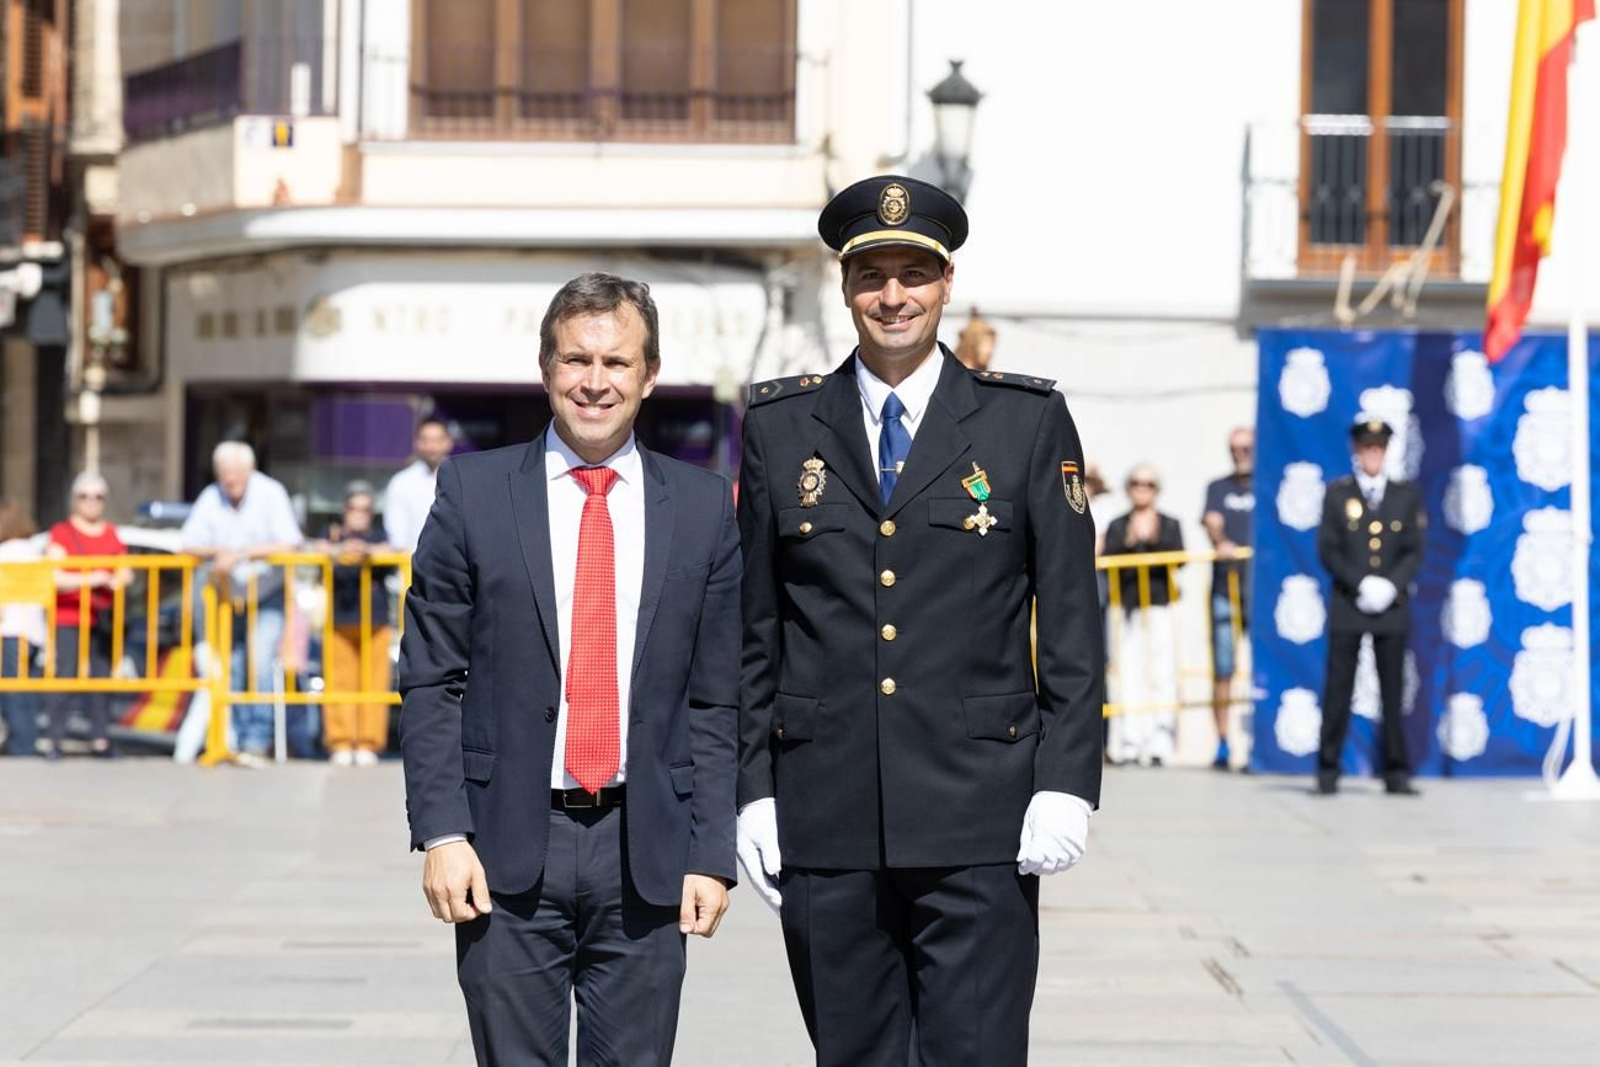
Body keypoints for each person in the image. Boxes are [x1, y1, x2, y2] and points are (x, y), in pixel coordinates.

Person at [736, 175, 1104, 1067]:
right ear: (845, 285)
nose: (892, 296)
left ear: (946, 284)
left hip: (982, 811)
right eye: (871, 275)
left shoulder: (1024, 422)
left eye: (914, 273)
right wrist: (750, 789)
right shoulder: (782, 428)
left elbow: (1071, 619)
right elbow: (754, 629)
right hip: (828, 813)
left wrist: (1067, 780)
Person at [400, 272, 741, 1066]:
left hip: (646, 851)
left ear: (649, 376)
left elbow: (718, 698)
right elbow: (431, 677)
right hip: (505, 849)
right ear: (547, 368)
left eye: (617, 363)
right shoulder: (472, 492)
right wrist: (442, 831)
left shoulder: (700, 507)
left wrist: (709, 851)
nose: (595, 382)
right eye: (576, 360)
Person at [1316, 417, 1423, 796]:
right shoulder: (1338, 494)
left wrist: (1389, 585)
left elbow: (1413, 549)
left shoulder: (1403, 496)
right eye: (1367, 448)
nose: (1372, 454)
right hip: (1350, 602)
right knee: (1338, 688)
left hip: (1390, 606)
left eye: (1378, 448)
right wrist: (1359, 582)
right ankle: (1328, 770)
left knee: (1392, 692)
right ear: (1357, 452)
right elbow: (1328, 548)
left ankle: (1396, 771)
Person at [181, 441, 303, 765]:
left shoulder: (271, 493)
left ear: (249, 471)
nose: (229, 480)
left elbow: (290, 543)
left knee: (259, 661)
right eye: (224, 474)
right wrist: (218, 554)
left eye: (235, 473)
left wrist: (242, 553)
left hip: (267, 593)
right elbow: (189, 544)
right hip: (227, 599)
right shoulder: (211, 497)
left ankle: (256, 740)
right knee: (232, 668)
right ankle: (231, 738)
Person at [1100, 465, 1185, 767]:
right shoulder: (1119, 524)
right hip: (1126, 605)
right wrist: (1129, 542)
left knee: (1162, 671)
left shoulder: (1169, 523)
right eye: (1136, 483)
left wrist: (1152, 542)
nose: (1142, 488)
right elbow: (1107, 556)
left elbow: (1179, 556)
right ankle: (1131, 741)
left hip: (1160, 604)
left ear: (1156, 489)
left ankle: (1161, 741)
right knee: (1128, 673)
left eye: (1148, 484)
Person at [44, 472, 131, 759]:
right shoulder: (62, 532)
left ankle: (100, 739)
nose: (91, 502)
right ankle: (55, 739)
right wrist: (90, 579)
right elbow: (54, 576)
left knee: (101, 678)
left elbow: (125, 569)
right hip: (69, 615)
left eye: (98, 497)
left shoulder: (111, 533)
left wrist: (119, 580)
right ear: (75, 499)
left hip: (102, 616)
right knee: (65, 676)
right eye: (85, 496)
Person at [313, 481, 395, 767]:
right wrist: (341, 549)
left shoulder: (379, 533)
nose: (359, 514)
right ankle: (341, 741)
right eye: (354, 508)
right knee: (339, 682)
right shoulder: (331, 532)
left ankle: (369, 742)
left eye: (365, 509)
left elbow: (392, 552)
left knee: (374, 682)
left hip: (375, 618)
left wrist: (369, 551)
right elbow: (316, 548)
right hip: (339, 618)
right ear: (344, 510)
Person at [1202, 426, 1256, 770]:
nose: (1241, 454)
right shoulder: (1218, 487)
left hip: (1261, 591)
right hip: (1227, 589)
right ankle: (1223, 742)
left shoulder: (1267, 483)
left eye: (1247, 448)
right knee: (1224, 669)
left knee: (1261, 670)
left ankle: (1257, 742)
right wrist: (1220, 541)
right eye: (1235, 449)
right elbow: (1212, 521)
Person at [0, 501, 45, 756]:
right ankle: (28, 742)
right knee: (27, 693)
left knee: (13, 692)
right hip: (35, 630)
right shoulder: (34, 551)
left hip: (10, 630)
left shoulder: (4, 553)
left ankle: (21, 746)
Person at [384, 416, 454, 553]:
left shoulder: (461, 478)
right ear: (417, 443)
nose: (431, 446)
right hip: (410, 566)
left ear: (448, 442)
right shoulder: (401, 482)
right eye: (425, 440)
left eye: (437, 440)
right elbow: (396, 532)